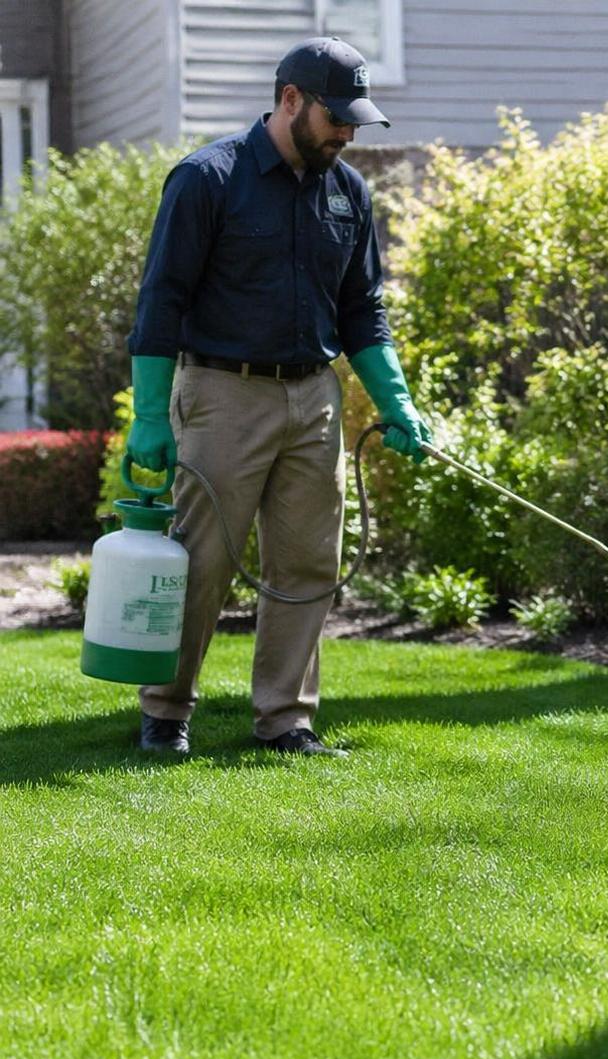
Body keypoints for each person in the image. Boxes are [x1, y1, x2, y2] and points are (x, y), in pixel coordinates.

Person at [124, 36, 432, 759]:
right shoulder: (207, 179)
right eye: (337, 118)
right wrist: (148, 415)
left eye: (357, 121)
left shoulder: (346, 191)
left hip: (313, 399)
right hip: (224, 394)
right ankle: (166, 714)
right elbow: (161, 303)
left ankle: (286, 720)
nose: (348, 134)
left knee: (307, 565)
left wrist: (398, 401)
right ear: (290, 99)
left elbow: (363, 311)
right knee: (202, 562)